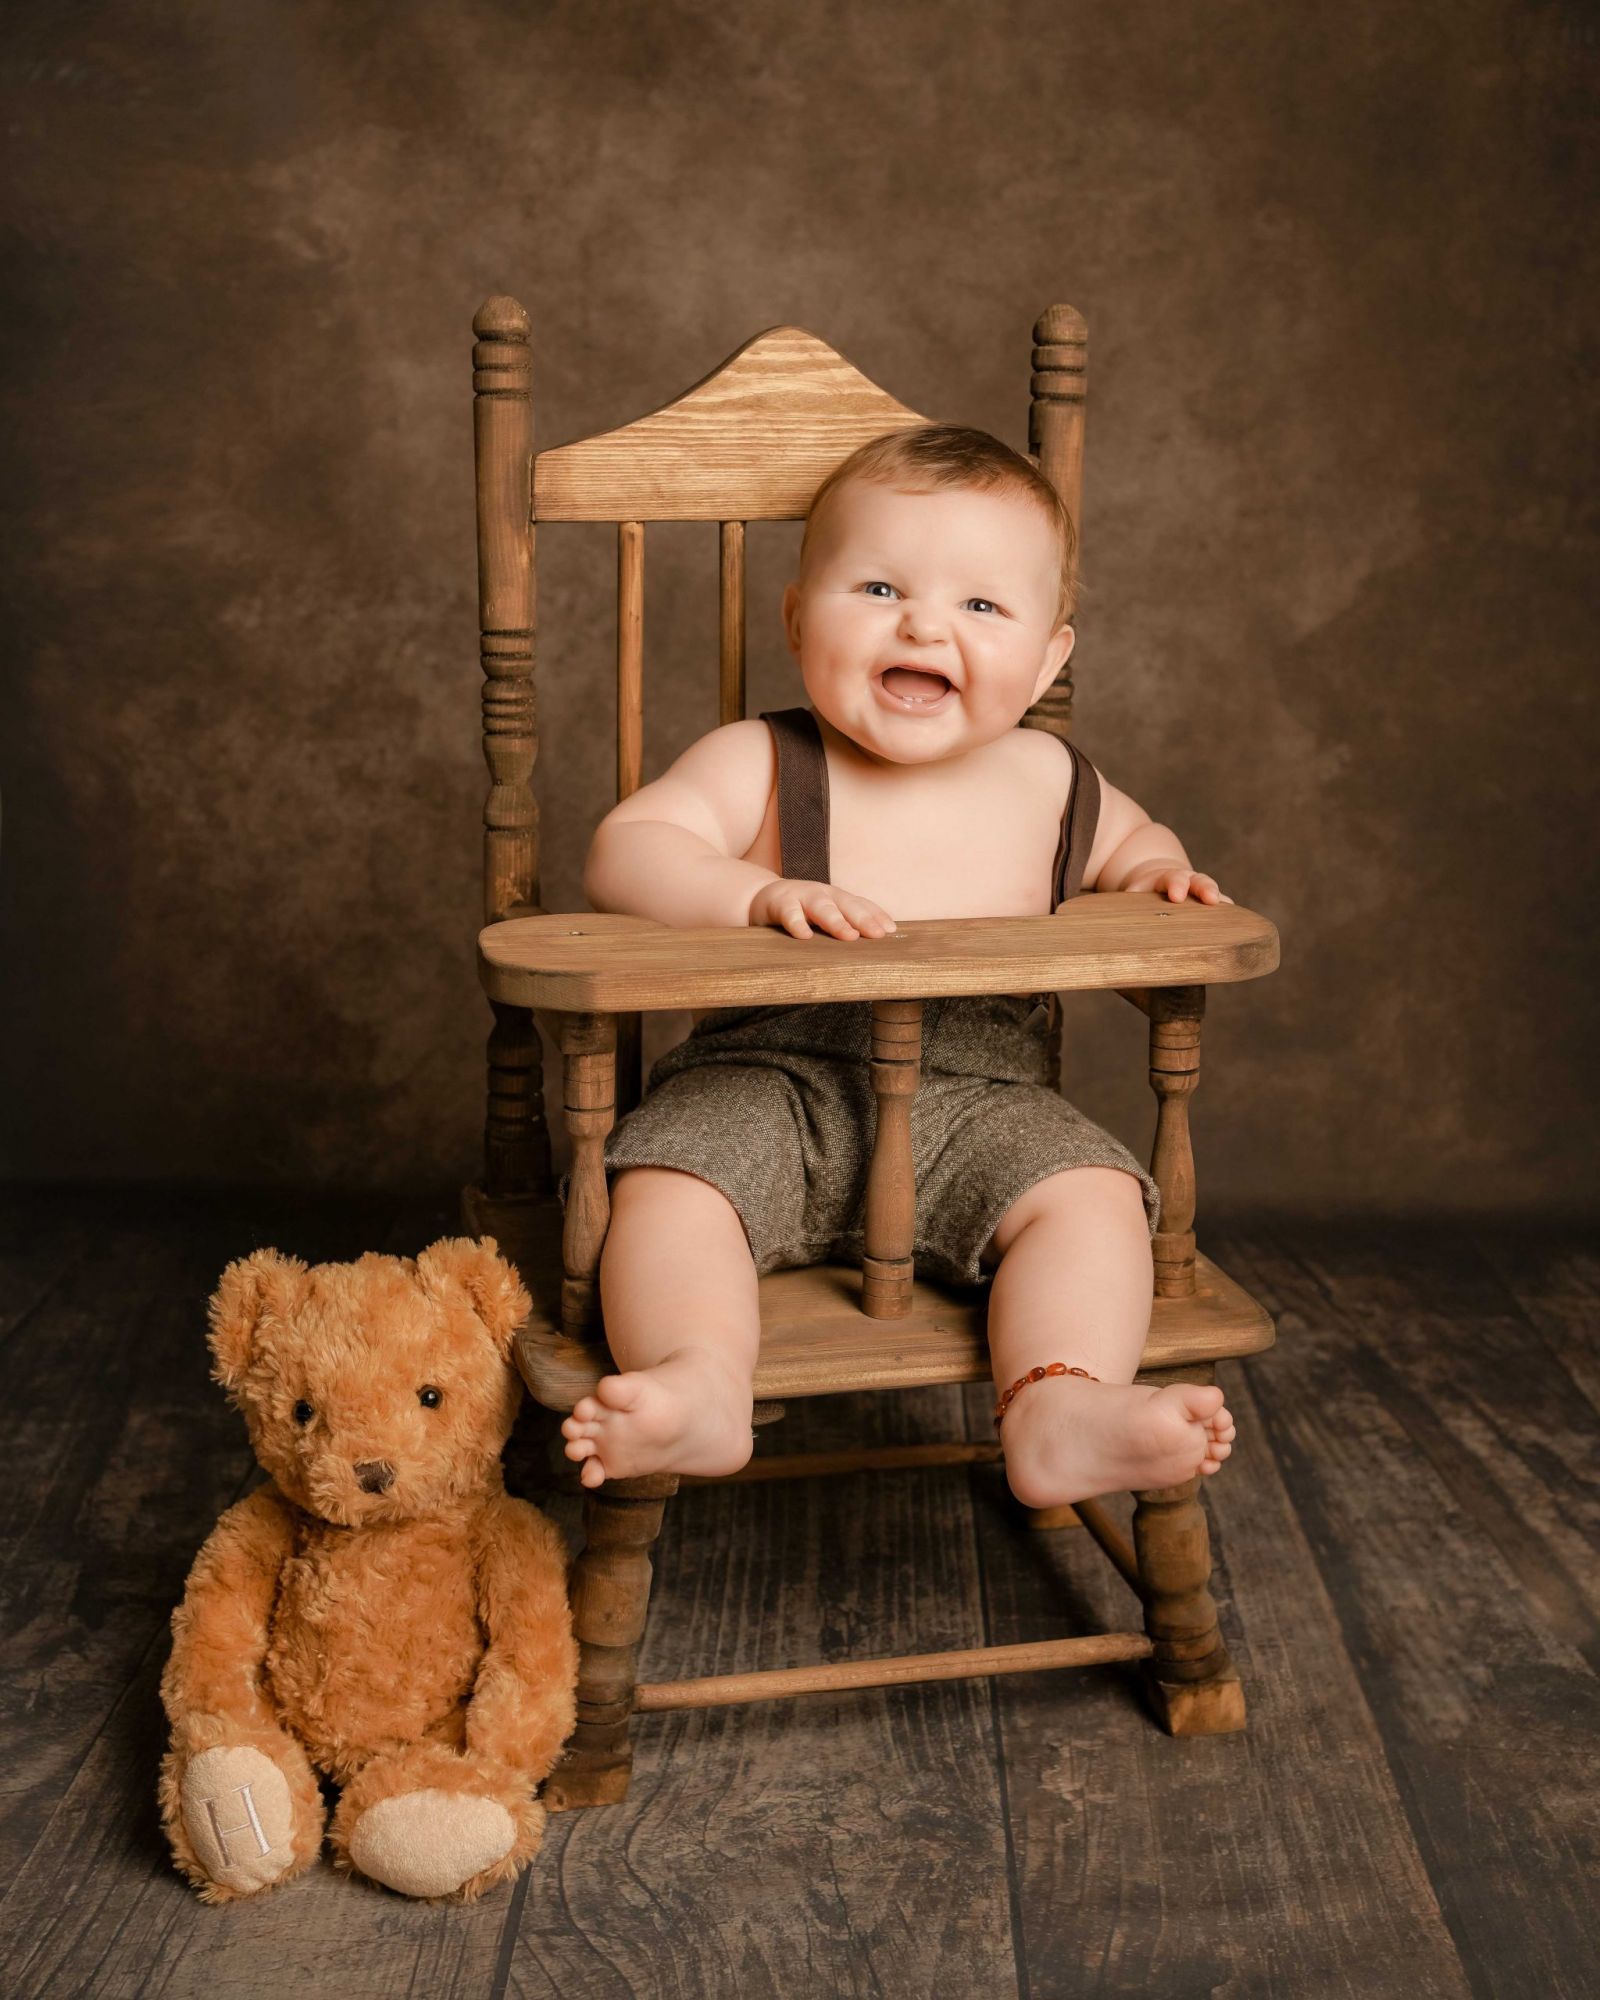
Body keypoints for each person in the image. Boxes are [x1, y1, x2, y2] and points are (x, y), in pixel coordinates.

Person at [559, 424, 1236, 1508]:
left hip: (982, 1105)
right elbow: (626, 847)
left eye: (980, 605)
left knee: (1095, 1195)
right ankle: (702, 1378)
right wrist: (753, 893)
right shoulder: (762, 760)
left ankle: (1058, 1404)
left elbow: (1136, 847)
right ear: (796, 616)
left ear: (1050, 658)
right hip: (765, 1085)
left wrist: (1161, 879)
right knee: (669, 1185)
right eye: (877, 585)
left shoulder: (1052, 779)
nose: (923, 622)